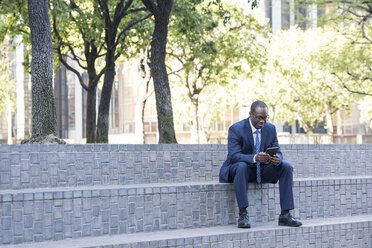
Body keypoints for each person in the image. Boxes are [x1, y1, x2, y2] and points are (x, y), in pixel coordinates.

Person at [219, 100, 302, 228]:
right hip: (240, 170)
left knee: (286, 167)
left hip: (261, 170)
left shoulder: (270, 129)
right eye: (258, 118)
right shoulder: (236, 129)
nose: (262, 121)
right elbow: (234, 156)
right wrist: (255, 158)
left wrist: (277, 158)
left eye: (264, 118)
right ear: (250, 114)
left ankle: (285, 215)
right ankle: (243, 214)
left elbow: (278, 150)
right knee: (241, 166)